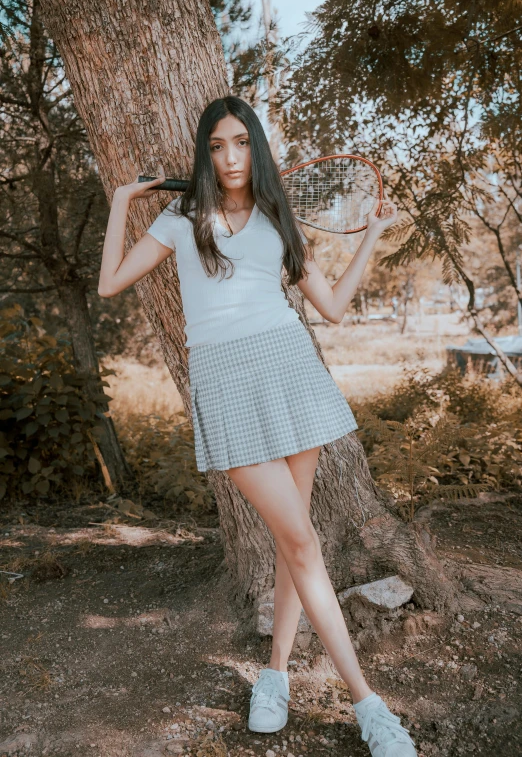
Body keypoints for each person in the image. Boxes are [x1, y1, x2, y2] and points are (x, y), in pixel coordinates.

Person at [98, 95, 417, 757]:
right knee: (301, 543)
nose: (230, 157)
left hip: (290, 369)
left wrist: (375, 236)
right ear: (205, 152)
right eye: (217, 145)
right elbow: (108, 285)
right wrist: (121, 202)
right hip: (224, 382)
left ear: (257, 147)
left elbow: (328, 306)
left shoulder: (277, 216)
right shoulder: (181, 216)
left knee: (292, 541)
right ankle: (370, 705)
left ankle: (275, 675)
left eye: (241, 142)